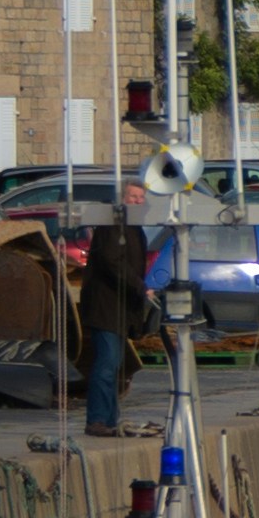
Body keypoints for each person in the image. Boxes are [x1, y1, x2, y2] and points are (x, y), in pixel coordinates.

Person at [77, 187, 156, 442]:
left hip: (121, 309)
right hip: (105, 307)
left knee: (114, 366)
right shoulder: (112, 225)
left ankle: (110, 420)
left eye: (141, 197)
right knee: (107, 364)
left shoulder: (135, 228)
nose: (137, 201)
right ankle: (98, 419)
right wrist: (140, 286)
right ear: (122, 199)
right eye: (133, 197)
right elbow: (113, 263)